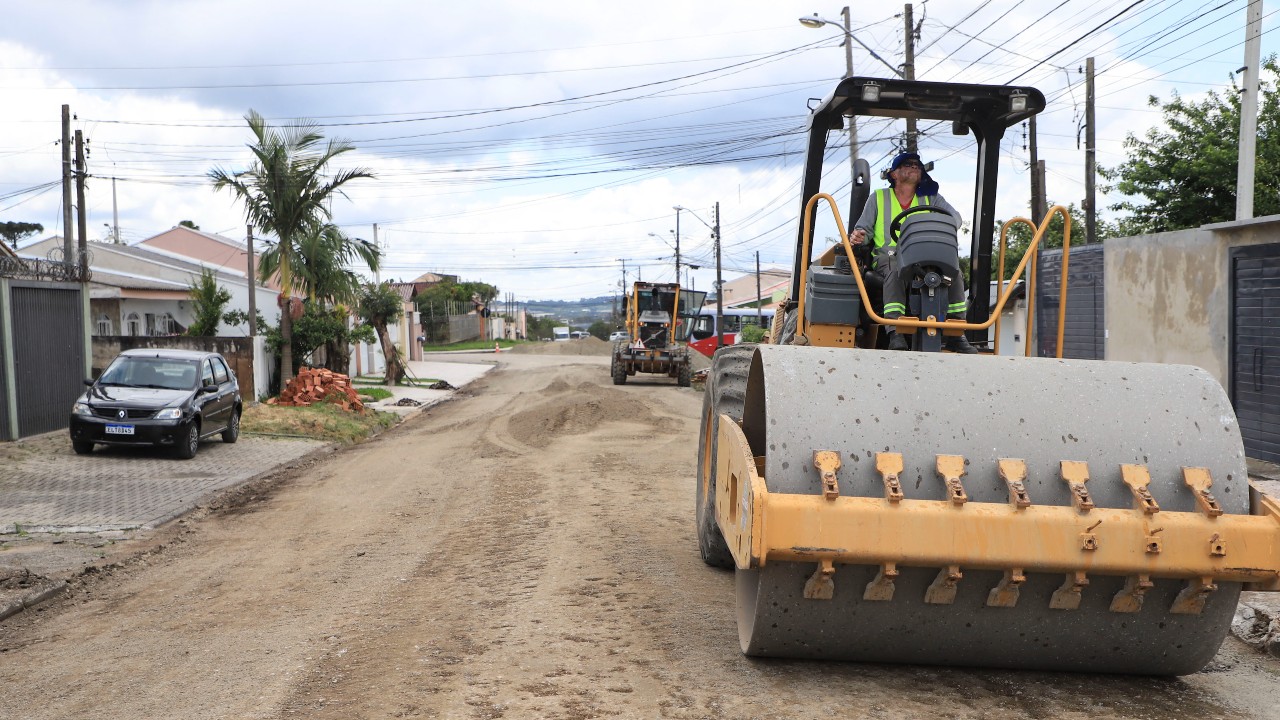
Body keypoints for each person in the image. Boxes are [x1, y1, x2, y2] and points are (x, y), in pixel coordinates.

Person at [850, 152, 977, 354]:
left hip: (925, 255)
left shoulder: (932, 198)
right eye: (907, 164)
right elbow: (864, 231)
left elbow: (955, 218)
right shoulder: (878, 198)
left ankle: (955, 333)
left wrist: (940, 226)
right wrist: (859, 236)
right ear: (893, 174)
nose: (914, 167)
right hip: (889, 256)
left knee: (954, 273)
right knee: (895, 271)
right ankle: (895, 332)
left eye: (917, 165)